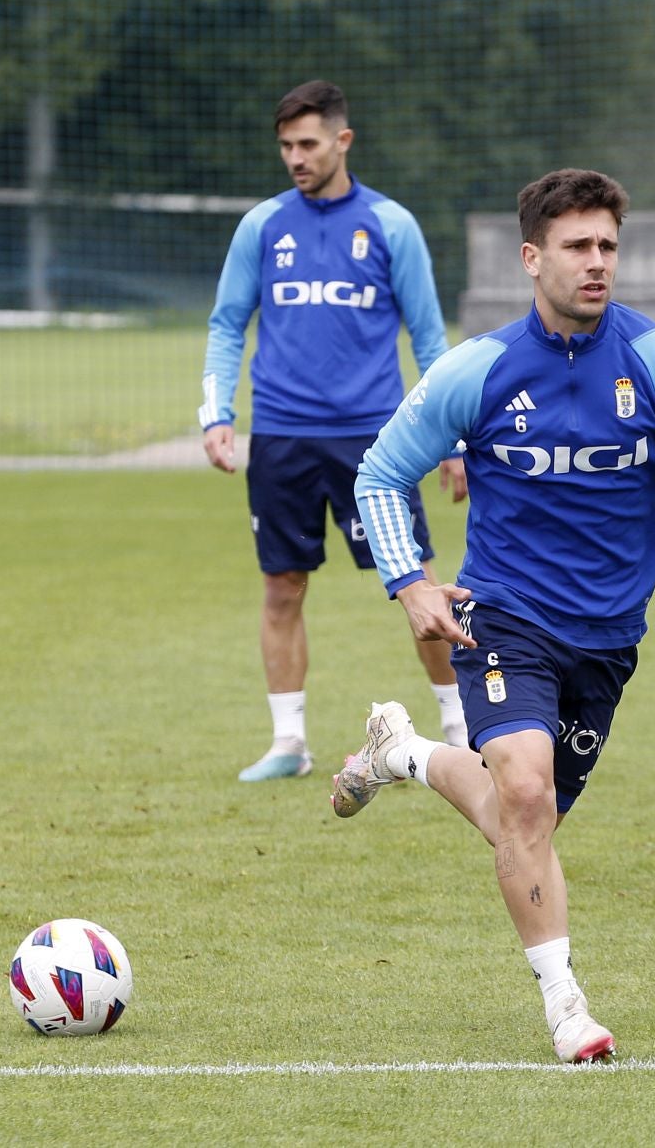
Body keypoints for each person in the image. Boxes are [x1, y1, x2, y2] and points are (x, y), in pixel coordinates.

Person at [336, 168, 655, 1062]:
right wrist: (409, 581)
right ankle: (567, 1006)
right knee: (523, 792)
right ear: (533, 259)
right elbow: (378, 474)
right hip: (505, 616)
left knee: (522, 820)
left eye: (608, 246)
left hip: (608, 639)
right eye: (577, 247)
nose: (597, 263)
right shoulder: (480, 368)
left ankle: (403, 752)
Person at [199, 80, 469, 783]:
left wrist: (451, 435)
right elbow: (228, 323)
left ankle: (462, 729)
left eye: (309, 144)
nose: (296, 157)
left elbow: (429, 335)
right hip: (283, 438)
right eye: (286, 145)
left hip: (373, 446)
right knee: (282, 586)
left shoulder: (390, 225)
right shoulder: (262, 226)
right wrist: (217, 412)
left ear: (342, 141)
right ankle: (289, 743)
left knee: (418, 584)